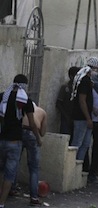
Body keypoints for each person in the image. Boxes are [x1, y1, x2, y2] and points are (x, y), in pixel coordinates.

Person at [0, 74, 41, 208]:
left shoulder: (2, 97)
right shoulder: (25, 101)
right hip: (15, 142)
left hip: (2, 139)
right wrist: (38, 139)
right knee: (9, 175)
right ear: (25, 85)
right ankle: (2, 203)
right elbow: (32, 123)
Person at [70, 57, 98, 168]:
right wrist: (88, 118)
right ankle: (72, 167)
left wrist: (92, 109)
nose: (97, 72)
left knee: (86, 144)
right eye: (97, 69)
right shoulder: (84, 81)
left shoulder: (88, 81)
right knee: (77, 143)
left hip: (85, 116)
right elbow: (82, 101)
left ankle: (78, 168)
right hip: (81, 117)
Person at [21, 102, 47, 206]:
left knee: (15, 163)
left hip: (20, 131)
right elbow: (43, 132)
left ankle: (11, 189)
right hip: (33, 135)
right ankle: (34, 196)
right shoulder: (42, 112)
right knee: (34, 168)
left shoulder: (22, 109)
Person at [56, 66, 80, 144]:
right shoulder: (65, 88)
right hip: (66, 118)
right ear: (71, 76)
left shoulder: (79, 88)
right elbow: (58, 103)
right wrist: (66, 117)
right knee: (64, 140)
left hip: (75, 118)